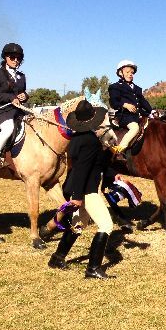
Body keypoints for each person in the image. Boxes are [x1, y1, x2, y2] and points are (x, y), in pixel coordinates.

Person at [48, 100, 117, 279]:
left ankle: (57, 258)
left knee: (79, 224)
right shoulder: (91, 141)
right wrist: (78, 197)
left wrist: (112, 173)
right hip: (86, 190)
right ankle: (93, 268)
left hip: (79, 188)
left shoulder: (75, 140)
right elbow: (82, 170)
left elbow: (89, 165)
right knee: (106, 225)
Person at [0, 43, 28, 168]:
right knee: (8, 128)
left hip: (16, 110)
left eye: (18, 58)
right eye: (12, 57)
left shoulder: (21, 76)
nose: (16, 60)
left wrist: (25, 96)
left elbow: (21, 93)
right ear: (5, 58)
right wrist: (10, 98)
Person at [109, 60, 153, 155]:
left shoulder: (137, 88)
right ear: (121, 73)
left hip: (138, 115)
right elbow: (113, 102)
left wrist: (151, 111)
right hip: (124, 116)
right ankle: (120, 148)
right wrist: (124, 104)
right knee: (134, 128)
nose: (130, 74)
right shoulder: (115, 87)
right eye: (127, 72)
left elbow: (143, 102)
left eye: (132, 73)